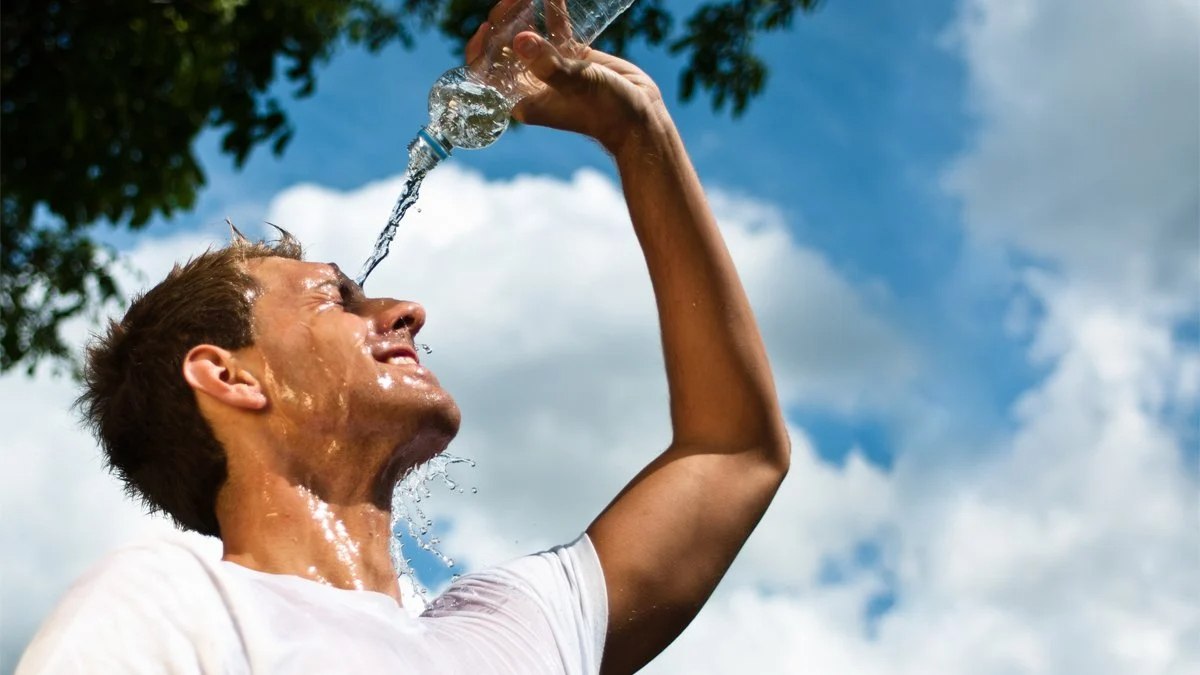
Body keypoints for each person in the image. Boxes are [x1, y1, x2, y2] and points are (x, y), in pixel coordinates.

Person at [17, 13, 790, 675]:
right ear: (228, 375)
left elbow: (733, 452)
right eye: (336, 298)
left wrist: (641, 129)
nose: (407, 310)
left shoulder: (513, 624)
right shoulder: (176, 603)